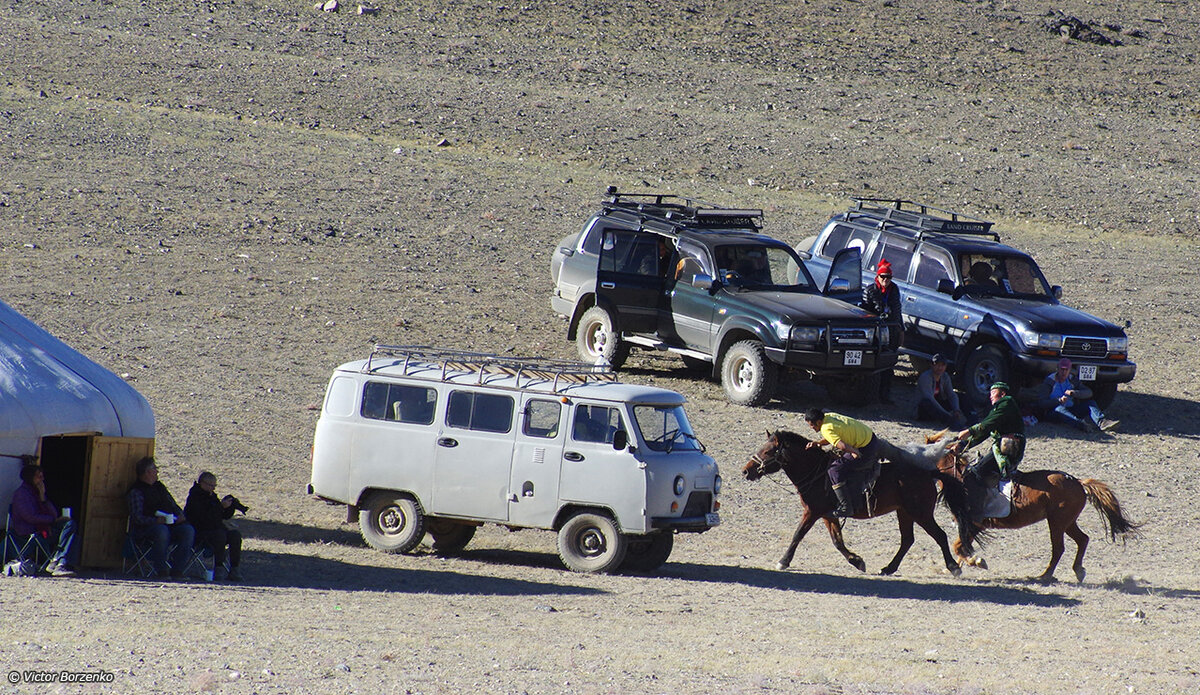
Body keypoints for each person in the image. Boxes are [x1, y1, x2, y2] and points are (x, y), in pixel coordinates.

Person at [803, 408, 882, 517]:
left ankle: (846, 508)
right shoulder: (829, 416)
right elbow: (833, 437)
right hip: (870, 437)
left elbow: (842, 445)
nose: (811, 428)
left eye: (812, 425)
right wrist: (818, 443)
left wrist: (854, 451)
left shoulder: (826, 429)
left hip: (865, 448)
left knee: (834, 470)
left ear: (819, 422)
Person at [127, 456, 196, 579]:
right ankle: (161, 571)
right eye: (154, 469)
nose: (157, 471)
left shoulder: (160, 487)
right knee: (161, 531)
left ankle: (177, 570)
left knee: (188, 531)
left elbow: (173, 505)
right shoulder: (136, 491)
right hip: (146, 530)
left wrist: (179, 516)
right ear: (147, 472)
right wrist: (156, 521)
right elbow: (137, 518)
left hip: (170, 525)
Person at [9, 465, 77, 576]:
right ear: (30, 477)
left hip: (43, 528)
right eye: (38, 476)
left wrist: (43, 497)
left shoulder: (37, 493)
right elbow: (30, 517)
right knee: (70, 533)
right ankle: (60, 562)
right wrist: (52, 520)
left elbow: (53, 513)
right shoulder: (21, 494)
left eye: (42, 476)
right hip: (29, 530)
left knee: (70, 525)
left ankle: (58, 562)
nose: (42, 479)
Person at [954, 382, 1025, 486]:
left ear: (1002, 394)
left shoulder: (1006, 404)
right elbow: (986, 431)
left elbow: (986, 425)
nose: (990, 396)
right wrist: (963, 444)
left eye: (993, 393)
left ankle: (981, 501)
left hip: (1009, 447)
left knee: (976, 473)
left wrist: (969, 431)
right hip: (1005, 446)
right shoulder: (999, 409)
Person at [184, 471, 244, 581]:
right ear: (202, 483)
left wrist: (229, 507)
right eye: (210, 485)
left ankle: (235, 569)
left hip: (215, 529)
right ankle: (219, 567)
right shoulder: (195, 497)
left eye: (214, 485)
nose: (213, 488)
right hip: (200, 532)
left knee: (235, 535)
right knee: (220, 535)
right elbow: (204, 517)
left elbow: (223, 516)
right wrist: (220, 507)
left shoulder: (212, 497)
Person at [860, 259, 902, 404]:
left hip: (890, 331)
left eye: (888, 277)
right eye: (882, 276)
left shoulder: (894, 290)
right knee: (872, 363)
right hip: (875, 333)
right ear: (877, 277)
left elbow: (896, 311)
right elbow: (867, 313)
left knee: (888, 364)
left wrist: (899, 330)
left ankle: (885, 395)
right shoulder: (870, 291)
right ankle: (869, 395)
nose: (885, 280)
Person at [1037, 358, 1119, 433]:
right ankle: (1081, 425)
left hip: (1071, 409)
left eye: (1066, 370)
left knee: (1090, 403)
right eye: (1062, 369)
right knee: (1060, 409)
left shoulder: (1072, 379)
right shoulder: (1050, 381)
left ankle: (1102, 422)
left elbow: (1088, 392)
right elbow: (1041, 403)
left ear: (1070, 370)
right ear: (1057, 369)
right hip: (1053, 412)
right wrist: (1058, 401)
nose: (1064, 372)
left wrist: (1074, 393)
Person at [915, 353, 966, 426]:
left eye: (943, 365)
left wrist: (956, 409)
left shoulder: (945, 376)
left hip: (938, 406)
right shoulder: (925, 377)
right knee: (926, 402)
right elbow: (930, 399)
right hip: (924, 410)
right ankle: (951, 422)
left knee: (961, 396)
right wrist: (946, 414)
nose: (940, 367)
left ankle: (972, 420)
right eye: (937, 364)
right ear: (932, 365)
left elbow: (951, 394)